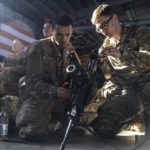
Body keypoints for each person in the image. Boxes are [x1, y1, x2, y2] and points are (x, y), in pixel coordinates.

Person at [16, 15, 87, 141]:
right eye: (59, 34)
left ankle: (61, 123)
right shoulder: (37, 48)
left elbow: (77, 72)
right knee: (33, 132)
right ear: (52, 31)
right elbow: (32, 82)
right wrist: (55, 91)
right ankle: (27, 119)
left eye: (68, 34)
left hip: (62, 99)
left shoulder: (69, 48)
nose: (64, 38)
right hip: (39, 97)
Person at [90, 4, 150, 138]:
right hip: (128, 92)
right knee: (102, 127)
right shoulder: (105, 46)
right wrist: (101, 63)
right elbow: (108, 74)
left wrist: (122, 54)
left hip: (147, 85)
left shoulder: (139, 32)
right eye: (99, 29)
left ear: (115, 18)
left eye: (104, 24)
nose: (103, 30)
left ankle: (141, 116)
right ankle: (135, 119)